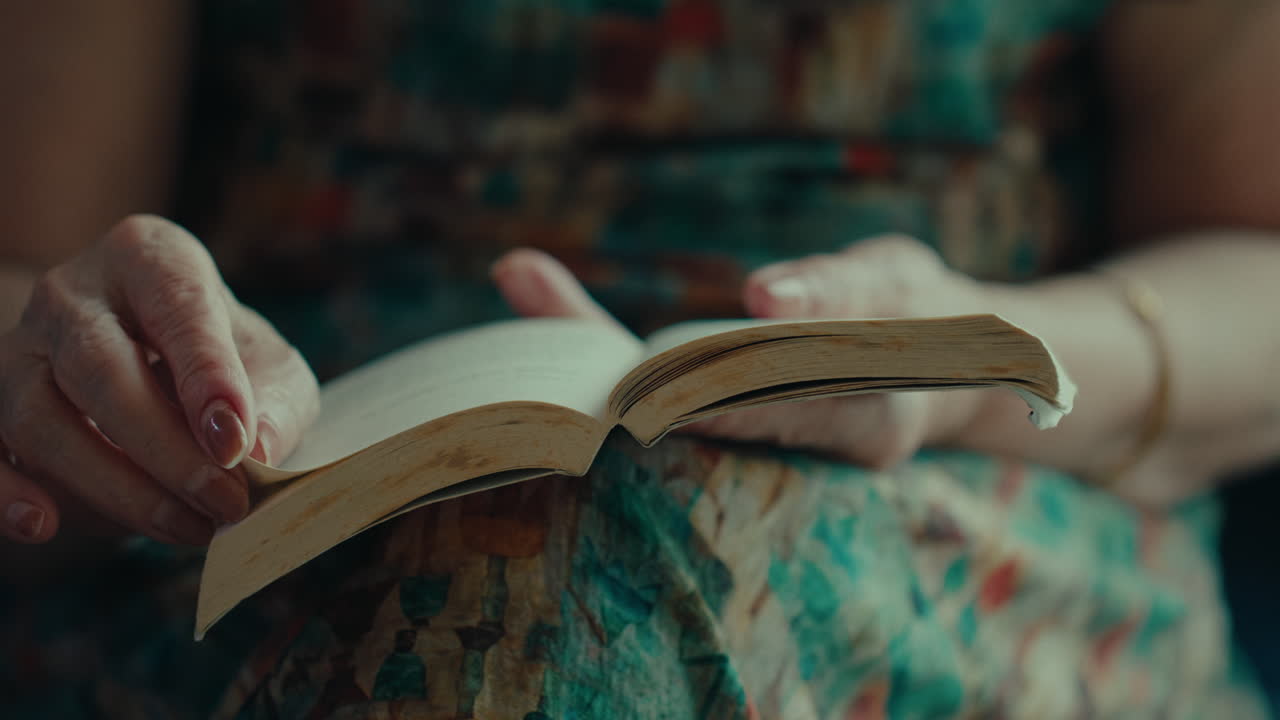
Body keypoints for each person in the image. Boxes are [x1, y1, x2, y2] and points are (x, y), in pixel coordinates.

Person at [1, 0, 1278, 717]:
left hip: (977, 498)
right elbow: (28, 267)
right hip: (267, 510)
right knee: (497, 564)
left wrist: (957, 367)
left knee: (573, 567)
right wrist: (92, 377)